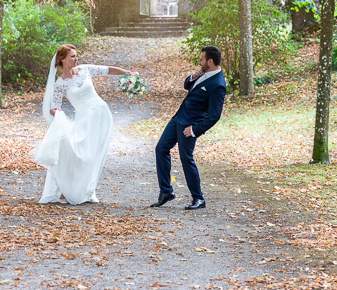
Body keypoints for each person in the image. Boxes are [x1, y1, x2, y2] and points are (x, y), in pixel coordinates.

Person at [31, 44, 138, 205]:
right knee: (79, 153)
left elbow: (108, 70)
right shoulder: (60, 84)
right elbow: (56, 106)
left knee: (95, 153)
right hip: (83, 119)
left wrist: (127, 73)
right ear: (62, 60)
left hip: (101, 114)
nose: (76, 59)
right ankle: (70, 189)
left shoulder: (85, 70)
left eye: (76, 55)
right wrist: (55, 111)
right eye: (72, 56)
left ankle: (89, 190)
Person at [151, 46, 226, 210]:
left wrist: (194, 130)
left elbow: (214, 115)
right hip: (178, 118)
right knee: (161, 148)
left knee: (186, 158)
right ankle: (166, 191)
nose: (199, 62)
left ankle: (198, 198)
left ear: (210, 61)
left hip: (190, 125)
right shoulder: (203, 73)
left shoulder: (218, 84)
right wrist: (193, 76)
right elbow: (187, 86)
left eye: (202, 59)